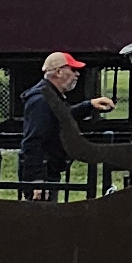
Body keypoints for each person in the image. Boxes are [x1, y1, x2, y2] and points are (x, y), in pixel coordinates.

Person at [16, 52, 104, 188]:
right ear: (58, 72)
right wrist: (36, 181)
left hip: (48, 171)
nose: (77, 74)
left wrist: (90, 105)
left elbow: (63, 115)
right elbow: (33, 141)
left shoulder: (50, 96)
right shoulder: (41, 100)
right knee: (43, 209)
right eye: (73, 70)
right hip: (42, 176)